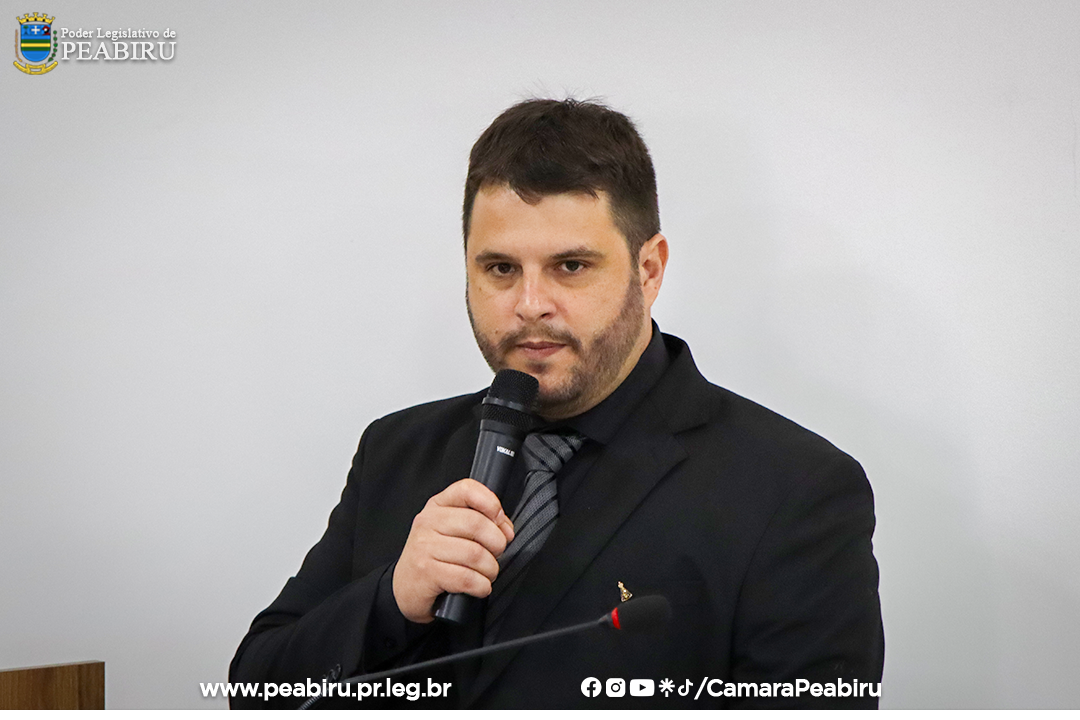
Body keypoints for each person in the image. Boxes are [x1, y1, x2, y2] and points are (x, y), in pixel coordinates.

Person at [229, 98, 884, 709]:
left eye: (571, 266)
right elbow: (255, 692)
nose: (530, 304)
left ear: (649, 270)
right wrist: (390, 600)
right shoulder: (396, 450)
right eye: (500, 269)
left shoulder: (795, 489)